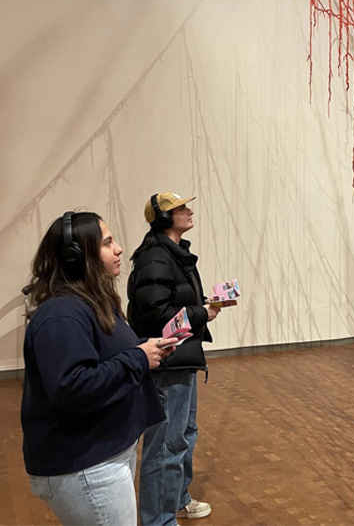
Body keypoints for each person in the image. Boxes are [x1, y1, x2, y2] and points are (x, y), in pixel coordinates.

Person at [22, 212, 177, 525]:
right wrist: (138, 358)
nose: (119, 249)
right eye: (107, 243)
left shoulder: (89, 302)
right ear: (76, 257)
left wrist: (147, 347)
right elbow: (72, 386)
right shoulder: (61, 314)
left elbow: (105, 354)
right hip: (84, 467)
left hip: (102, 457)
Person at [127, 193, 221, 525]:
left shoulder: (173, 255)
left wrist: (202, 307)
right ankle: (158, 520)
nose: (189, 211)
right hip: (166, 364)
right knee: (166, 445)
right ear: (164, 218)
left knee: (183, 434)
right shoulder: (155, 258)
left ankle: (177, 499)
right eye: (180, 208)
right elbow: (156, 317)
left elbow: (170, 305)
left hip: (181, 359)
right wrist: (201, 313)